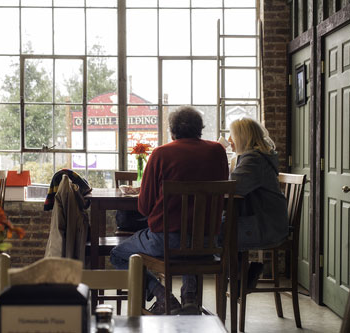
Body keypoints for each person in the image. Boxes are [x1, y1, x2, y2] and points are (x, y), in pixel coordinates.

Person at [110, 106, 229, 315]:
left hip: (166, 241)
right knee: (189, 237)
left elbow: (145, 207)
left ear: (172, 131)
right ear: (199, 129)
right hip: (208, 241)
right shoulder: (217, 151)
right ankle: (190, 296)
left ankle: (162, 295)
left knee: (118, 254)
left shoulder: (161, 154)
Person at [227, 117, 289, 288]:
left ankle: (240, 275)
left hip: (265, 224)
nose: (230, 140)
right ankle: (241, 275)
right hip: (267, 218)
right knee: (221, 229)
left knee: (214, 234)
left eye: (232, 136)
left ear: (243, 137)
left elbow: (233, 188)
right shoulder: (256, 156)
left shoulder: (253, 159)